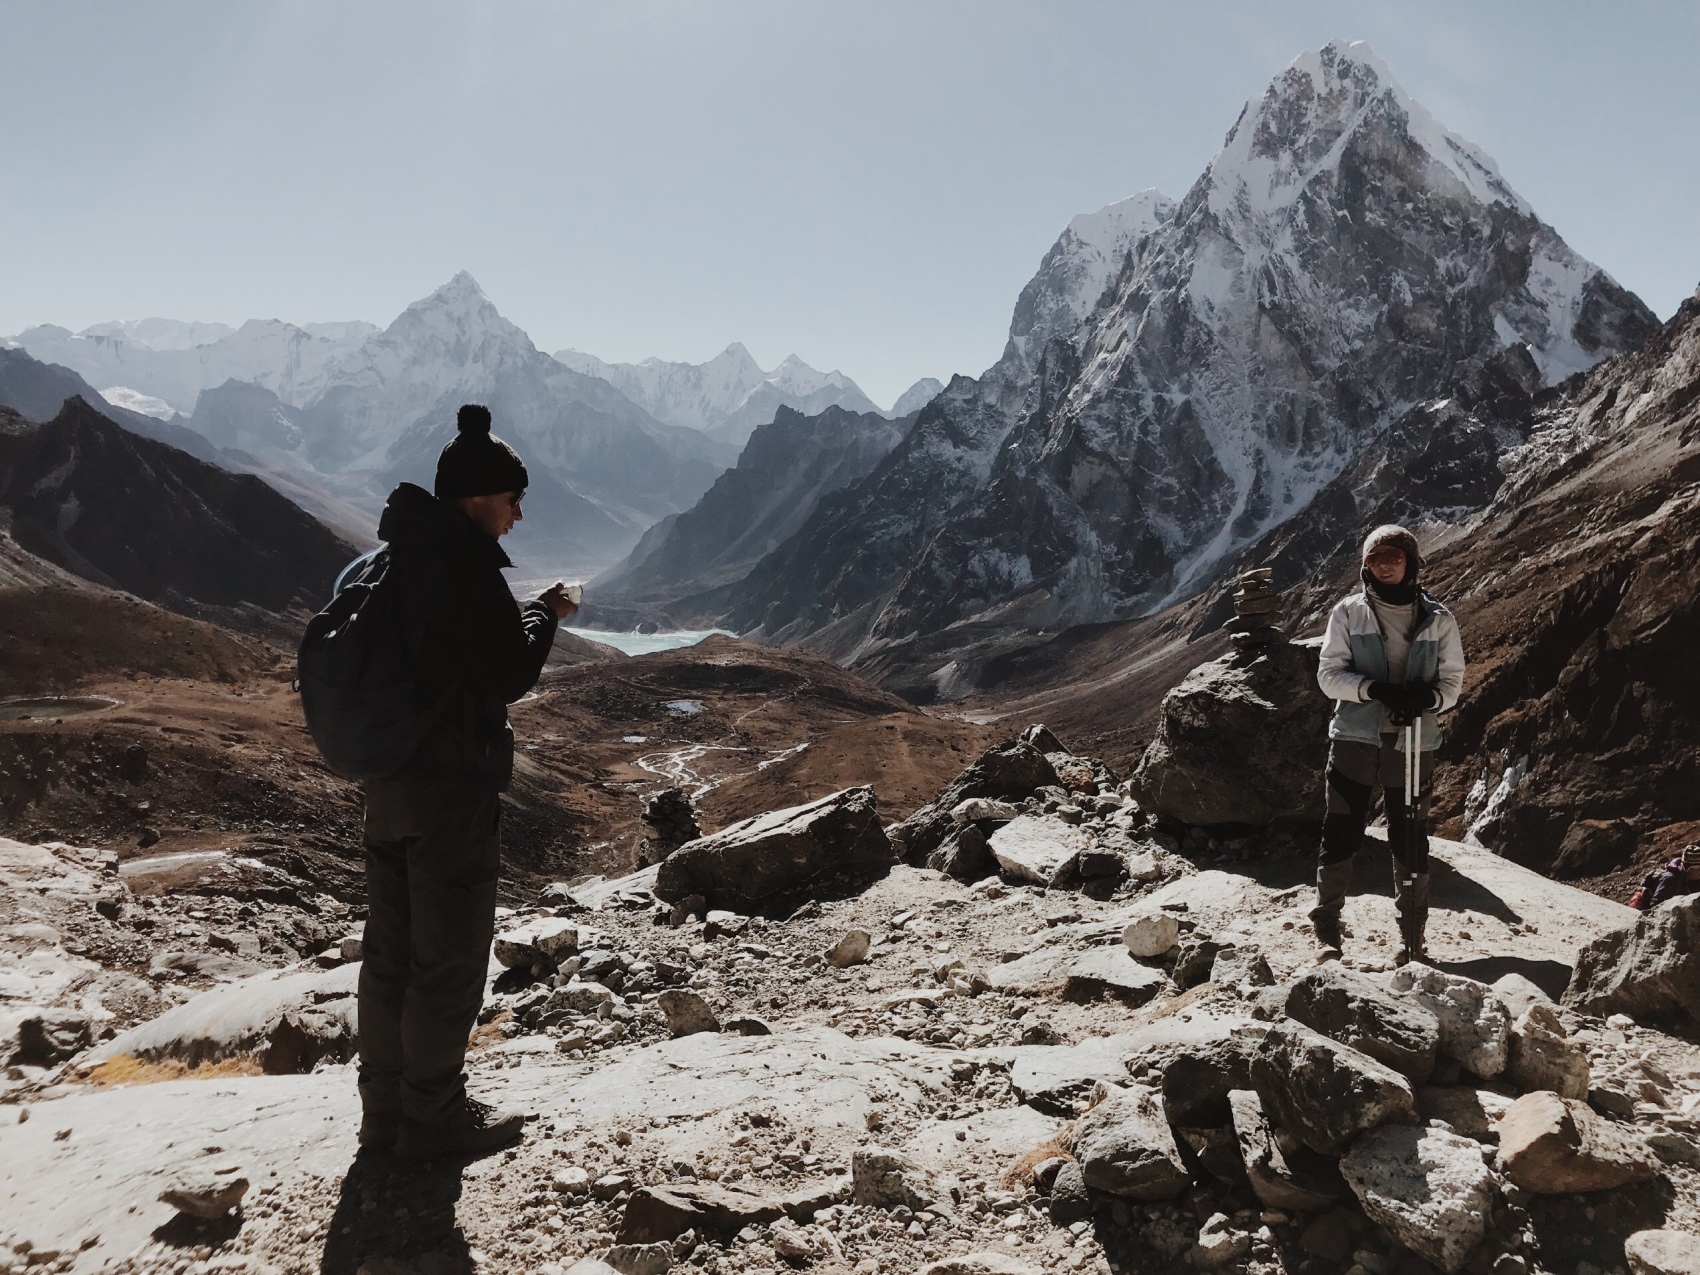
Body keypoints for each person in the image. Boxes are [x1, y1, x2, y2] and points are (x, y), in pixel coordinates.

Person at [356, 403, 578, 1160]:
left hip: (387, 784)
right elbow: (506, 672)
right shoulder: (466, 565)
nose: (517, 515)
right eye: (513, 499)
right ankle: (434, 1120)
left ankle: (382, 1114)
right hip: (449, 789)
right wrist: (546, 613)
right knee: (448, 955)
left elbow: (450, 652)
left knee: (390, 952)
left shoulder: (401, 555)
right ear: (479, 496)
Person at [1313, 525, 1466, 965]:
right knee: (1342, 828)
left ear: (1411, 561)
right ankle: (1327, 928)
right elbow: (1329, 676)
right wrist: (1375, 690)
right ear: (1365, 564)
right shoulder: (1347, 613)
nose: (1384, 563)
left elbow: (1452, 681)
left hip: (1413, 737)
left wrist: (1430, 698)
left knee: (1410, 835)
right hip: (1356, 735)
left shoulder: (1439, 618)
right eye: (1375, 557)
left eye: (1394, 556)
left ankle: (1412, 937)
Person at [1643, 844, 1700, 908]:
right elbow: (1656, 906)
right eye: (1698, 869)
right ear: (1687, 868)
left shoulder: (1693, 880)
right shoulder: (1671, 880)